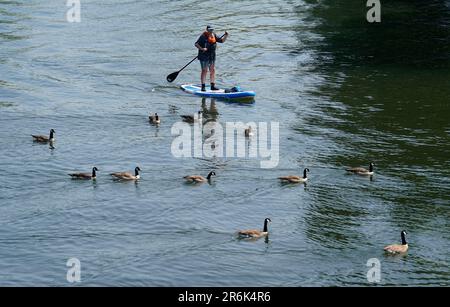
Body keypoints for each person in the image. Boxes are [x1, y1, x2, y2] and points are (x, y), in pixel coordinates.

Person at [195, 25, 228, 91]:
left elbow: (222, 41)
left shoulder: (214, 35)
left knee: (212, 70)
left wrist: (226, 35)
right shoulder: (203, 36)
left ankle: (212, 86)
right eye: (210, 30)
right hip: (204, 56)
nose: (211, 31)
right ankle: (203, 87)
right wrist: (202, 49)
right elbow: (196, 44)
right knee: (204, 71)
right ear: (207, 30)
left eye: (212, 30)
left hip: (212, 55)